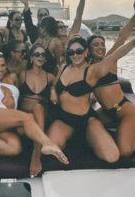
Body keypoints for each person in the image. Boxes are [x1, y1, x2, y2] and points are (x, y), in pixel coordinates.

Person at [46, 35, 135, 163]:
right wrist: (53, 91)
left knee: (112, 157)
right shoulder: (63, 67)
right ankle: (83, 139)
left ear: (86, 52)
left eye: (79, 51)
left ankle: (91, 138)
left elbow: (116, 54)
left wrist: (132, 42)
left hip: (87, 119)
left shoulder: (93, 70)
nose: (75, 55)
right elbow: (54, 84)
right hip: (65, 120)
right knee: (50, 153)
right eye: (71, 52)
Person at [0, 52, 69, 167]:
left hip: (6, 124)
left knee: (14, 148)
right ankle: (47, 144)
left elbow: (23, 63)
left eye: (2, 65)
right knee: (28, 117)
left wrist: (55, 82)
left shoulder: (13, 77)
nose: (0, 69)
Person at [87, 8, 135, 157]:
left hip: (124, 110)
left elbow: (121, 38)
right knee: (84, 124)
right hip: (107, 113)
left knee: (125, 152)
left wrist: (134, 15)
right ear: (88, 49)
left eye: (102, 44)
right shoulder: (86, 68)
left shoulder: (109, 61)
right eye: (96, 44)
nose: (101, 47)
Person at [19, 44, 56, 177]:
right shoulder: (22, 75)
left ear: (46, 59)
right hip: (25, 117)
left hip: (42, 115)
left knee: (38, 107)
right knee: (30, 115)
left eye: (43, 55)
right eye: (37, 54)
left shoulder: (50, 77)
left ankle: (36, 154)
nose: (40, 57)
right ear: (30, 58)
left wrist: (52, 90)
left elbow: (55, 98)